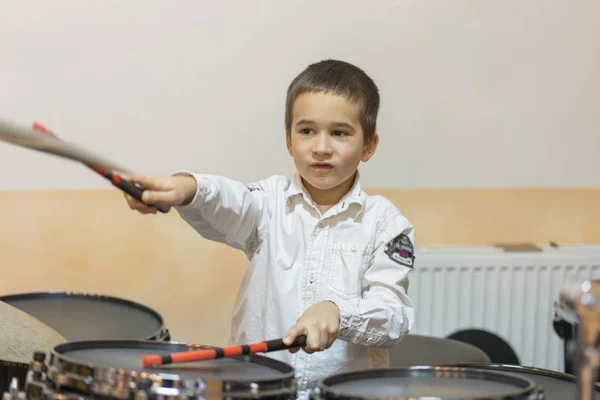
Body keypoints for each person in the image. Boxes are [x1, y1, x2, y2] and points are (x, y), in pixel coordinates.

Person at [123, 59, 416, 397]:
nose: (321, 147)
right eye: (306, 131)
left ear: (369, 145)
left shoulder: (387, 224)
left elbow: (393, 316)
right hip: (259, 389)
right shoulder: (267, 202)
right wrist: (188, 188)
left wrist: (339, 314)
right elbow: (229, 200)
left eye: (339, 132)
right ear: (289, 141)